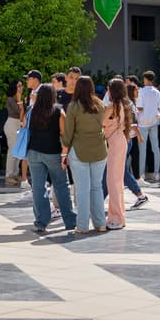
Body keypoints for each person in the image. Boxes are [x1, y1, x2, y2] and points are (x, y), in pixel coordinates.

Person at [24, 83, 76, 232]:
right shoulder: (58, 111)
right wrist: (65, 154)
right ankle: (70, 220)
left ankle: (41, 221)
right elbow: (65, 134)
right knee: (61, 186)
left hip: (33, 152)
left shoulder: (31, 110)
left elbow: (24, 128)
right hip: (53, 153)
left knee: (38, 187)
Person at [62, 75, 108, 233]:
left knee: (82, 189)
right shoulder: (100, 104)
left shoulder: (73, 106)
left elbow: (68, 133)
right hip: (100, 149)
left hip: (79, 149)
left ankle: (82, 226)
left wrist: (64, 151)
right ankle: (100, 223)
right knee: (97, 187)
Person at [102, 78, 133, 229]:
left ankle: (117, 218)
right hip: (119, 141)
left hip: (115, 142)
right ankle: (117, 216)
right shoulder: (123, 104)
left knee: (113, 182)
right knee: (116, 182)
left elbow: (100, 122)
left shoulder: (112, 106)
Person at [137, 71, 160, 181]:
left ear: (146, 79)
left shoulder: (141, 91)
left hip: (143, 122)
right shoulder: (157, 92)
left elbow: (140, 107)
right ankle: (157, 173)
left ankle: (141, 173)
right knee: (155, 148)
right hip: (154, 120)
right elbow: (158, 107)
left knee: (142, 149)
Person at [3, 80, 24, 187]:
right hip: (12, 123)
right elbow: (18, 111)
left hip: (19, 124)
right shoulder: (10, 99)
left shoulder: (20, 99)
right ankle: (9, 176)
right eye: (19, 86)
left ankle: (15, 174)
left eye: (21, 85)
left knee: (18, 151)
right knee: (12, 150)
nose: (21, 87)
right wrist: (20, 101)